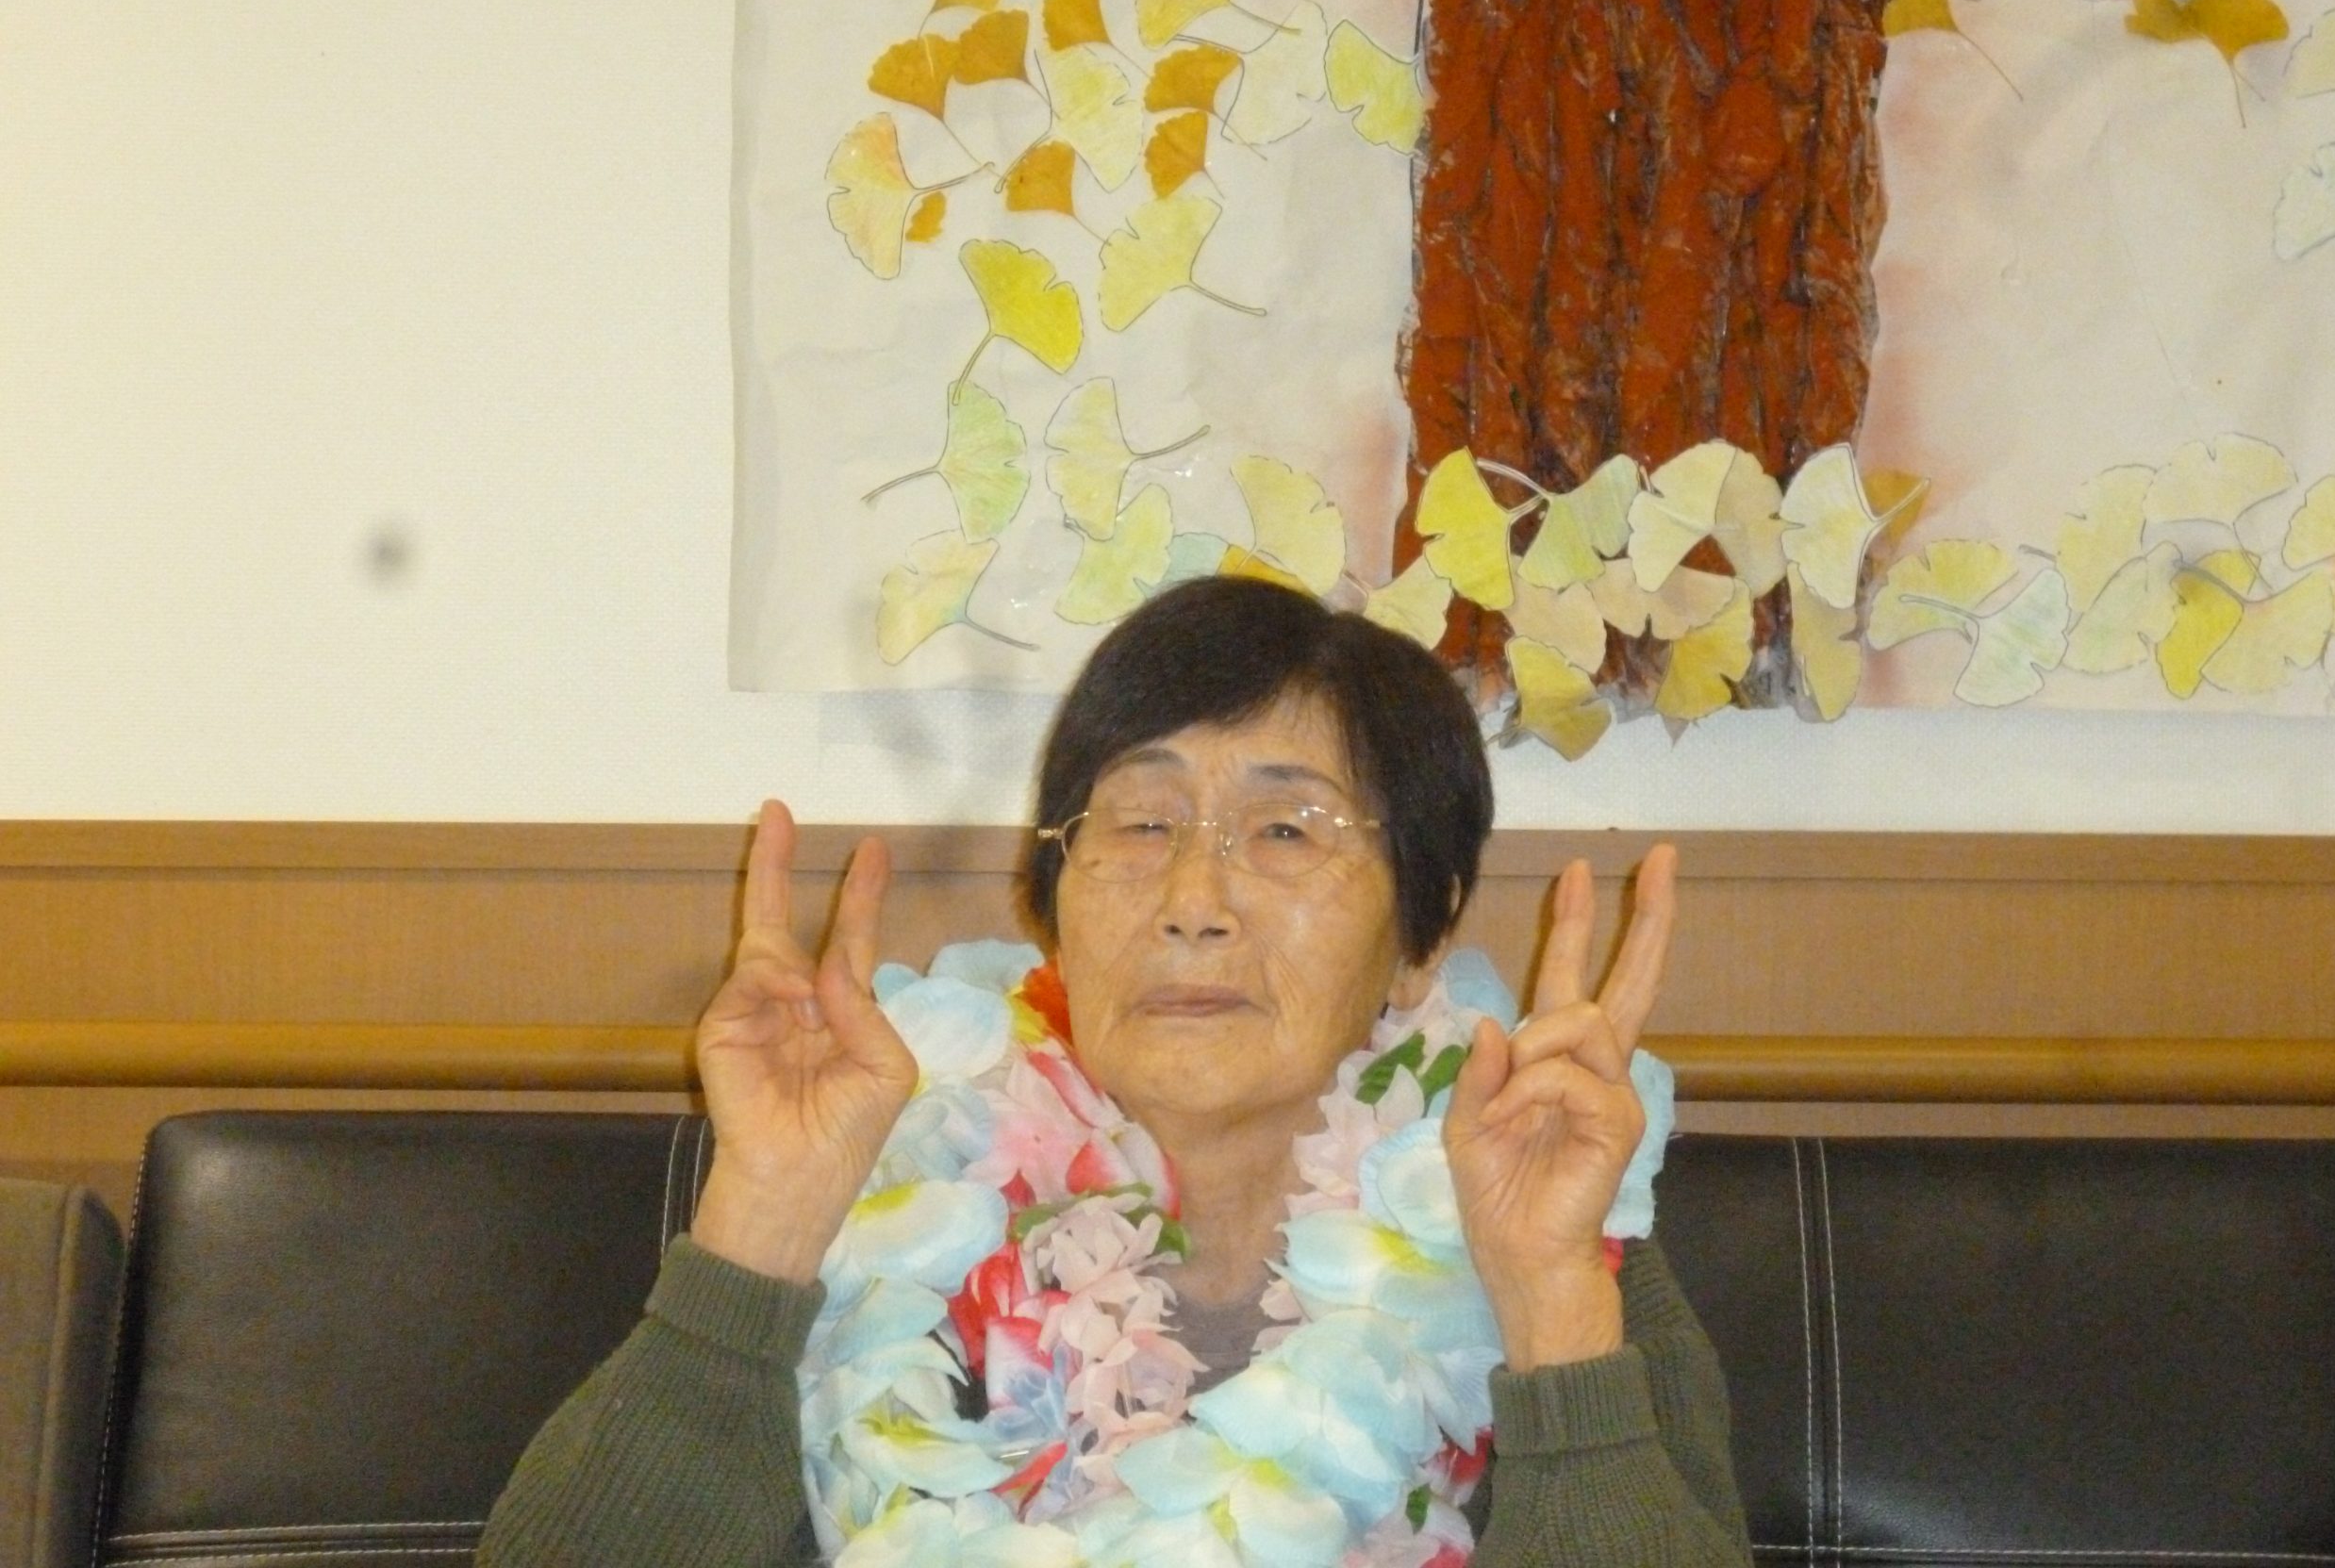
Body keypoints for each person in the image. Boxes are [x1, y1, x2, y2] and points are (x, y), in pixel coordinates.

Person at [478, 578, 1748, 1566]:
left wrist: (1552, 1304)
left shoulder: (1556, 1233)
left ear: (1421, 934)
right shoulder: (878, 1201)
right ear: (1051, 899)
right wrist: (767, 1217)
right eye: (1141, 823)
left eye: (1287, 829)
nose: (1194, 899)